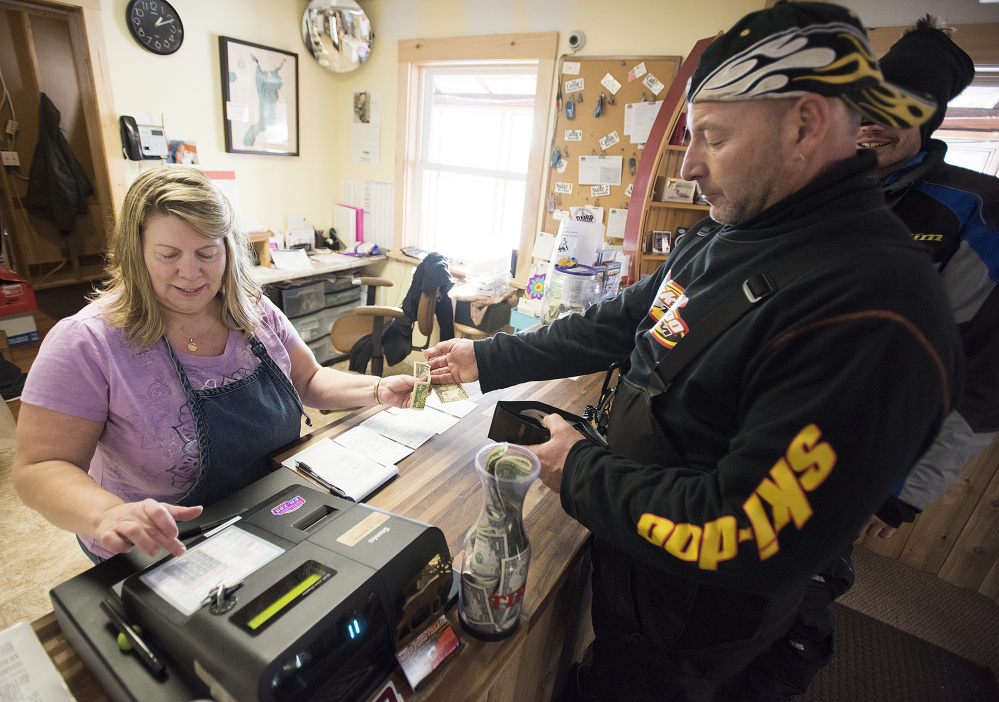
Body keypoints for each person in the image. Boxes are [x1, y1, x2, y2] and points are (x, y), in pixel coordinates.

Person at [425, 3, 964, 701]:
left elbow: (734, 527)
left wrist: (578, 467)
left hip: (696, 620)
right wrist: (486, 360)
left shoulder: (871, 309)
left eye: (711, 137)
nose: (689, 165)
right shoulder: (734, 229)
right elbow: (621, 322)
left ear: (802, 124)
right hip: (638, 569)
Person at [738, 17, 999, 701]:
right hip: (750, 433)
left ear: (930, 118)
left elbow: (985, 381)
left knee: (792, 614)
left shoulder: (972, 213)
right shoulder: (808, 188)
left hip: (851, 458)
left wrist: (903, 491)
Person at [12, 166, 420, 564]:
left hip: (266, 513)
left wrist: (377, 390)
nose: (190, 273)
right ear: (136, 252)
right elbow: (41, 467)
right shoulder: (87, 342)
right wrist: (104, 513)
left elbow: (309, 379)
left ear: (228, 249)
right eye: (168, 254)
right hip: (160, 546)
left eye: (207, 253)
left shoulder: (251, 310)